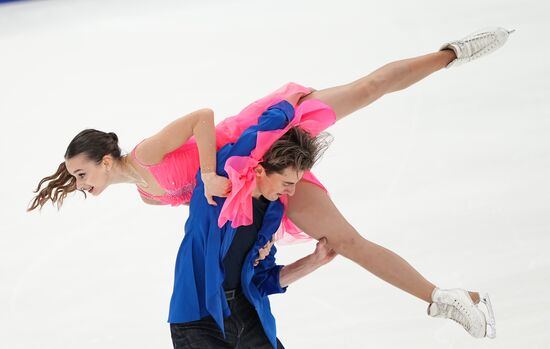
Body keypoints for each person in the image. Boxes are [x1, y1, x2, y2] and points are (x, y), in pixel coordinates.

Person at [28, 27, 514, 338]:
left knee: (365, 90)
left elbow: (203, 117)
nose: (78, 184)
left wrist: (211, 171)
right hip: (258, 179)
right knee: (344, 241)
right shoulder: (147, 195)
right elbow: (207, 216)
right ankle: (448, 301)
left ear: (106, 159)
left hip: (261, 136)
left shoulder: (146, 154)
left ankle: (451, 53)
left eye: (80, 173)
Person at [169, 100, 336, 348]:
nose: (290, 193)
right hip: (199, 318)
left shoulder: (272, 212)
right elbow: (272, 117)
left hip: (248, 314)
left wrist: (314, 261)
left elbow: (263, 280)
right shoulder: (222, 183)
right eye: (286, 183)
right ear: (259, 171)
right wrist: (290, 109)